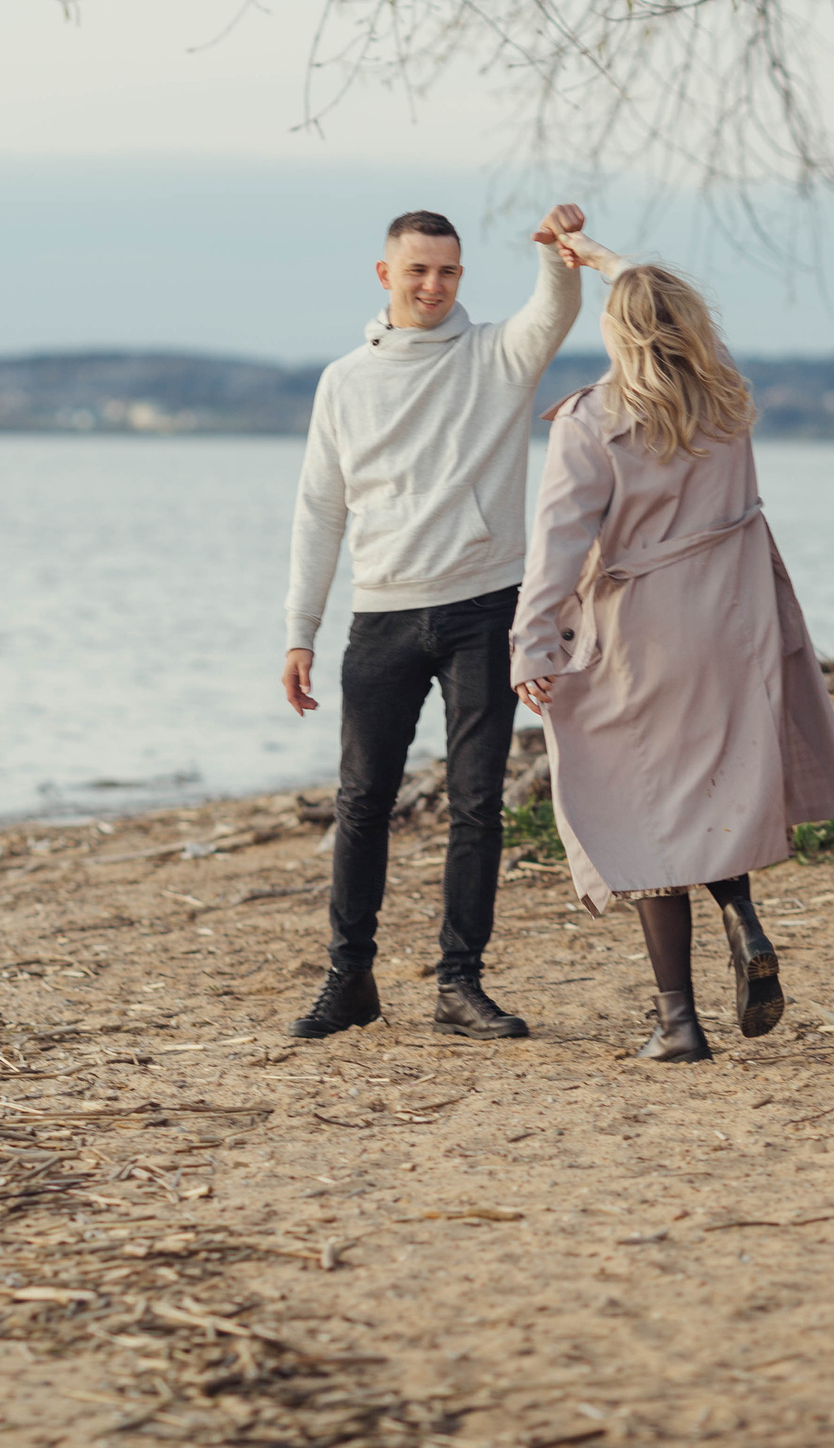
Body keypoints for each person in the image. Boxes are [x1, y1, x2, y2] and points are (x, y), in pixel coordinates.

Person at [510, 233, 834, 1063]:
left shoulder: (594, 420)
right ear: (689, 325)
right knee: (713, 789)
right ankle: (739, 915)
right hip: (737, 622)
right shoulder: (728, 397)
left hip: (645, 634)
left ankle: (679, 1022)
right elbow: (655, 299)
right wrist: (602, 258)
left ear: (616, 330)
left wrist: (532, 644)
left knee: (641, 812)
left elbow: (556, 543)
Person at [280, 203, 588, 1041]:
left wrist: (559, 255)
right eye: (417, 270)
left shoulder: (496, 355)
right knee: (361, 801)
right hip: (379, 612)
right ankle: (349, 981)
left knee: (477, 802)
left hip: (484, 607)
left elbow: (553, 312)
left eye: (447, 271)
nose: (432, 285)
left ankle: (459, 983)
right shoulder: (345, 380)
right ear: (386, 275)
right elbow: (319, 508)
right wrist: (299, 629)